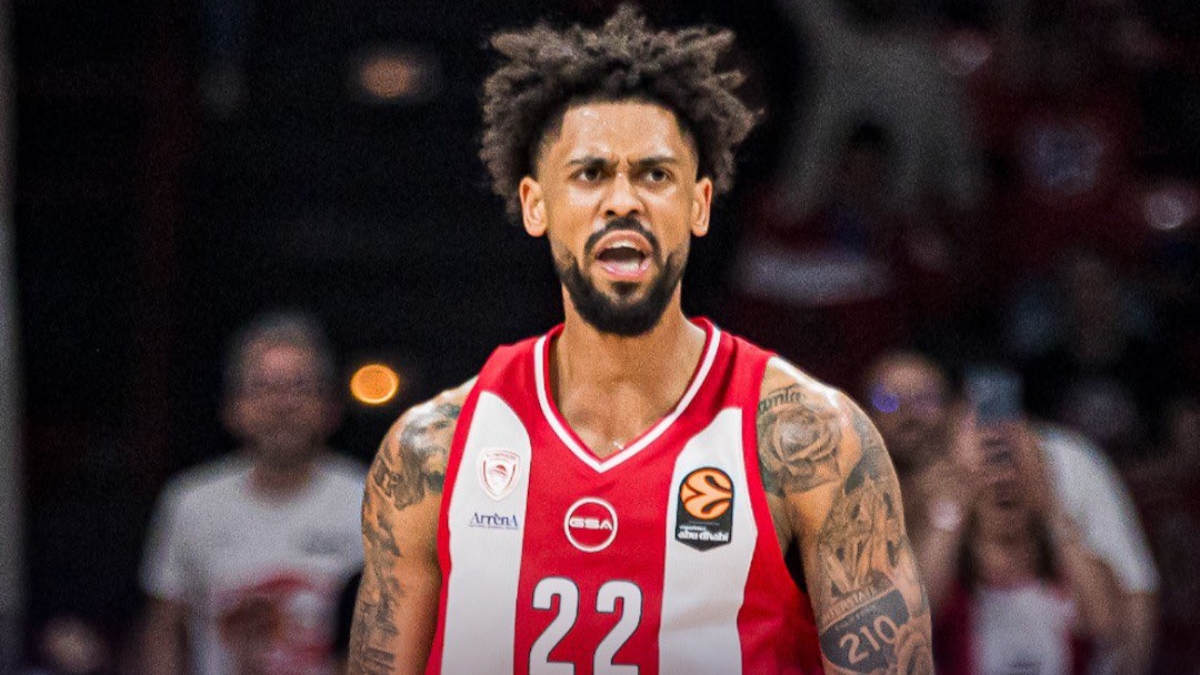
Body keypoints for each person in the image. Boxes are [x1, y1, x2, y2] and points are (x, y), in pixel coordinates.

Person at [349, 7, 932, 675]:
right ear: (536, 204)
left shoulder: (810, 441)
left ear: (700, 204)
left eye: (655, 174)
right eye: (590, 174)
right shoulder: (431, 453)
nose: (623, 201)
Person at [140, 311, 365, 675]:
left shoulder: (370, 502)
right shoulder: (191, 502)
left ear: (330, 407)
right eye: (263, 387)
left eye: (300, 387)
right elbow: (164, 629)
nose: (282, 405)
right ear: (233, 408)